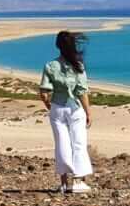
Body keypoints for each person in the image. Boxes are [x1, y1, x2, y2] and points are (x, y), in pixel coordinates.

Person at [39, 30, 93, 194]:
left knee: (61, 144)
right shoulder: (78, 66)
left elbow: (44, 92)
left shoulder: (50, 66)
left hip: (58, 108)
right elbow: (82, 92)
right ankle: (77, 182)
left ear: (58, 46)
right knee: (79, 143)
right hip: (75, 109)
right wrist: (89, 112)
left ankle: (63, 184)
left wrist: (50, 105)